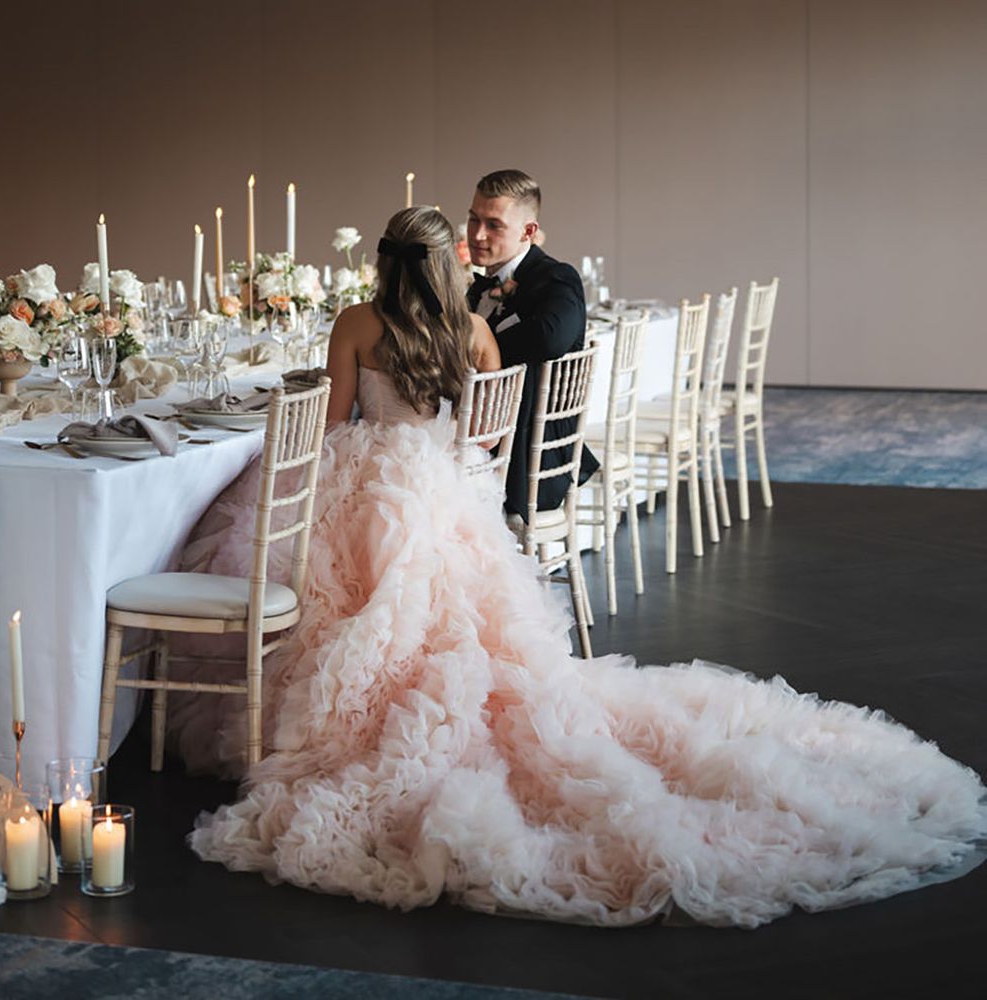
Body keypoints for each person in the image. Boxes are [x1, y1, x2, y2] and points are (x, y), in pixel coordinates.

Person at [175, 206, 986, 931]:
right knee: (456, 619)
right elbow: (488, 434)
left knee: (325, 578)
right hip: (442, 489)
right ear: (448, 265)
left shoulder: (356, 321)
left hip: (371, 485)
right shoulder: (472, 329)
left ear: (384, 264)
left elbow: (333, 417)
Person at [466, 169, 598, 519]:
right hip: (485, 434)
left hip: (525, 456)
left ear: (528, 231)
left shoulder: (555, 278)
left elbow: (549, 338)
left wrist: (482, 347)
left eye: (494, 225)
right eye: (473, 219)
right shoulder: (479, 286)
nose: (478, 234)